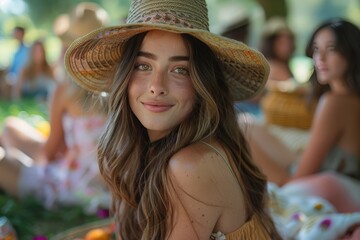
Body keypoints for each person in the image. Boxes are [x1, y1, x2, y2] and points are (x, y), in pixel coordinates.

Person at [64, 0, 281, 239]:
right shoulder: (142, 151)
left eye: (180, 70)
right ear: (124, 75)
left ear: (202, 84)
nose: (157, 87)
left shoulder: (190, 167)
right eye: (143, 65)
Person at [0, 2, 110, 213]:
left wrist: (26, 166)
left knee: (5, 152)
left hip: (75, 189)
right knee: (12, 127)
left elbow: (49, 153)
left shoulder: (67, 90)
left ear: (69, 48)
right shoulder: (122, 85)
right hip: (107, 189)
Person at [248, 18, 360, 213]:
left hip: (322, 187)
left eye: (331, 48)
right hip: (331, 178)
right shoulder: (350, 97)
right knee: (247, 124)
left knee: (241, 130)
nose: (320, 58)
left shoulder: (334, 102)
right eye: (316, 49)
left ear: (350, 52)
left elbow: (300, 177)